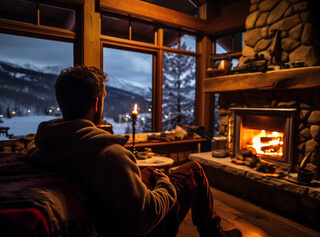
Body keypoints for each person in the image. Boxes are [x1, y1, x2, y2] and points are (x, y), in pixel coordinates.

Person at [27, 66, 242, 237]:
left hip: (101, 215)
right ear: (96, 103)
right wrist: (164, 183)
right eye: (103, 98)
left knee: (146, 173)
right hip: (141, 228)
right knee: (193, 169)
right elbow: (144, 219)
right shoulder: (110, 156)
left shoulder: (42, 147)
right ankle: (215, 234)